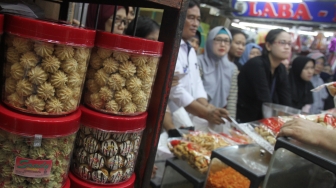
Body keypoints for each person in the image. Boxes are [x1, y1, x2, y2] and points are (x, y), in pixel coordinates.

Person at [168, 0, 229, 127]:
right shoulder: (172, 47)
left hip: (190, 115)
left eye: (198, 19)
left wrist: (206, 105)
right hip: (171, 115)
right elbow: (174, 89)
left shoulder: (190, 50)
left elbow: (196, 82)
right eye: (191, 18)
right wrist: (205, 113)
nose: (196, 24)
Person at [237, 29, 292, 123]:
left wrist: (290, 119)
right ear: (268, 46)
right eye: (282, 42)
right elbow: (264, 99)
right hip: (244, 119)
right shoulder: (256, 65)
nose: (287, 47)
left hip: (262, 119)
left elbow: (285, 99)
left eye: (289, 43)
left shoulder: (281, 68)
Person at [198, 26, 238, 119]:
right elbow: (194, 92)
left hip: (219, 117)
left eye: (226, 41)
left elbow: (232, 99)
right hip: (197, 113)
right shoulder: (198, 62)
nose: (223, 44)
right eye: (218, 39)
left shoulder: (232, 68)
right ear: (210, 41)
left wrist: (231, 123)